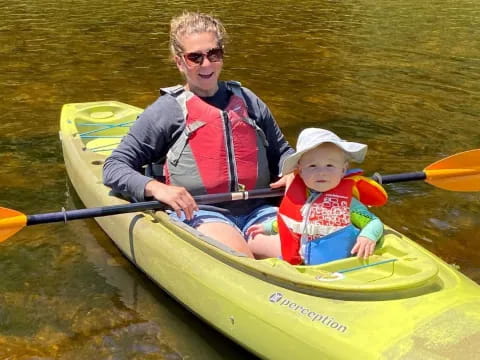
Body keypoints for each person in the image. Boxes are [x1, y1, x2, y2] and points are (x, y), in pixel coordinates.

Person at [102, 12, 294, 259]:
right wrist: (156, 188)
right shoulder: (168, 111)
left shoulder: (247, 100)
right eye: (195, 57)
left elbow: (282, 152)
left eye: (214, 54)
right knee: (239, 256)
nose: (206, 65)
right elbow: (114, 166)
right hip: (201, 212)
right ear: (180, 62)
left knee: (297, 253)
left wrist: (291, 170)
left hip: (259, 208)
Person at [246, 128, 388, 265]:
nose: (321, 172)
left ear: (343, 170)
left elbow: (374, 223)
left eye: (330, 165)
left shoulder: (349, 203)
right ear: (300, 171)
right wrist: (268, 227)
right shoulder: (303, 198)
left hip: (339, 265)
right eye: (312, 166)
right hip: (305, 262)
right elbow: (294, 223)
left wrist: (368, 236)